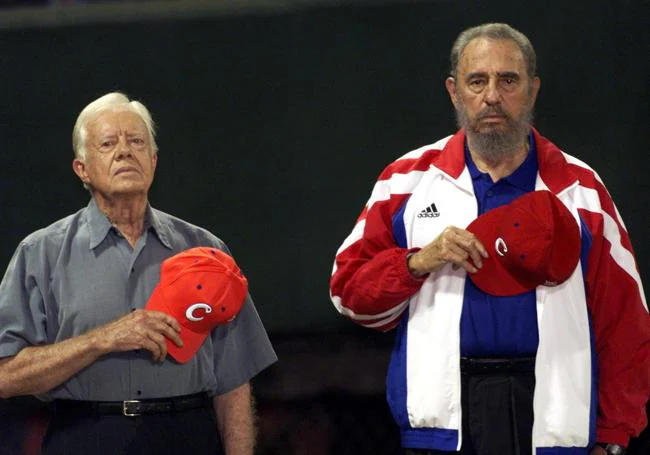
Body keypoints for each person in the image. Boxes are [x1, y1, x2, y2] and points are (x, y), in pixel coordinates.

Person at [329, 23, 649, 455]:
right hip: (440, 427)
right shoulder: (406, 181)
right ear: (454, 92)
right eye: (477, 81)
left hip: (555, 425)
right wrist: (416, 263)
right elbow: (348, 293)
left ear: (532, 90)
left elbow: (625, 321)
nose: (492, 95)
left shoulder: (580, 191)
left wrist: (614, 436)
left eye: (508, 80)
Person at [0, 92, 277, 455]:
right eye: (107, 143)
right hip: (87, 434)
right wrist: (103, 339)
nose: (125, 151)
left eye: (136, 141)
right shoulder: (41, 254)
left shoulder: (206, 250)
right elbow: (5, 375)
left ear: (154, 160)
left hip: (187, 434)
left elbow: (235, 382)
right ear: (81, 169)